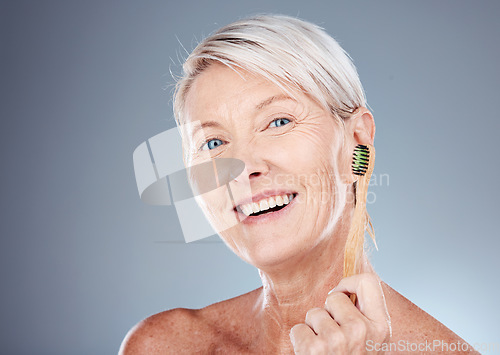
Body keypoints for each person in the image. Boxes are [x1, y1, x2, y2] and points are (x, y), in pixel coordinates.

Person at [120, 14, 476, 354]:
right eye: (214, 143)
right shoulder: (162, 345)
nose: (244, 168)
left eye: (278, 122)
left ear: (357, 142)